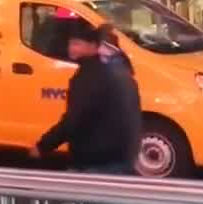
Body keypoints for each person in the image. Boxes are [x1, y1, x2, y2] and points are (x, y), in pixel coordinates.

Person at [30, 21, 142, 174]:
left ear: (94, 46)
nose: (71, 49)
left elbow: (74, 119)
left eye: (77, 44)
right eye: (70, 44)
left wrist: (43, 146)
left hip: (96, 160)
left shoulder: (89, 76)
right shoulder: (120, 70)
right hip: (122, 156)